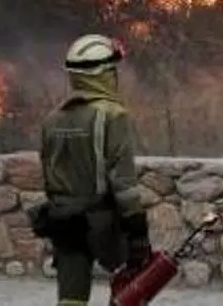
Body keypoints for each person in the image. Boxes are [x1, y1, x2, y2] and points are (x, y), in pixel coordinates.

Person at [32, 34, 151, 306]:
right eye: (112, 71)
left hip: (64, 221)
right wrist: (137, 232)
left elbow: (49, 174)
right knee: (132, 293)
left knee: (71, 299)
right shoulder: (112, 115)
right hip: (104, 222)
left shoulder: (53, 119)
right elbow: (123, 182)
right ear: (102, 75)